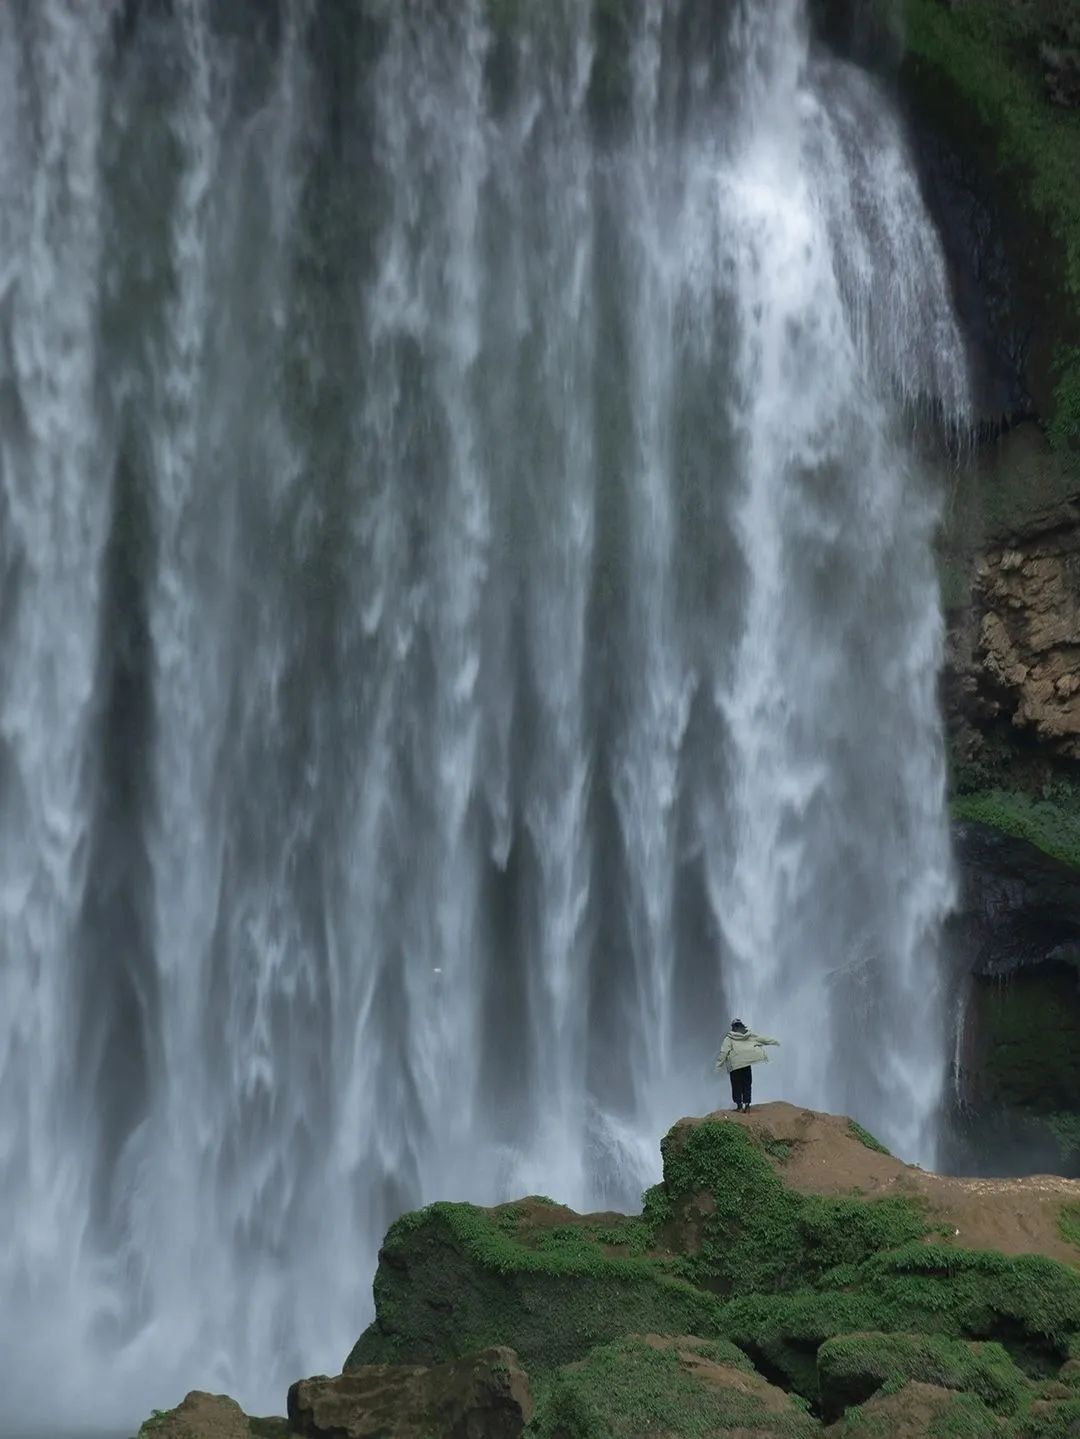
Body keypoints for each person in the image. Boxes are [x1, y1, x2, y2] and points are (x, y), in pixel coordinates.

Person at [713, 1018, 780, 1111]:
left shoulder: (728, 1039)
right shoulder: (749, 1035)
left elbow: (723, 1052)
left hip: (735, 1066)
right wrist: (776, 1042)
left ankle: (739, 1106)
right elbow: (764, 1039)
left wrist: (718, 1067)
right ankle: (747, 1105)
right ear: (742, 1026)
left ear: (733, 1027)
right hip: (746, 1064)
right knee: (747, 1084)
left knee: (736, 1085)